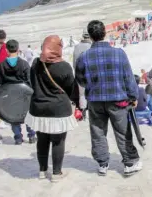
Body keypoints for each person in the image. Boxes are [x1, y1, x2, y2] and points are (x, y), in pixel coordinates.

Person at [75, 20, 142, 177]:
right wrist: (133, 96)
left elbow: (80, 80)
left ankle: (102, 164)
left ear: (90, 36)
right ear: (104, 33)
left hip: (95, 101)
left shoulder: (84, 57)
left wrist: (93, 85)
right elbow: (128, 77)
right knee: (122, 132)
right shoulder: (119, 53)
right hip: (118, 101)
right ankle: (129, 163)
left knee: (98, 132)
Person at [25, 35, 78, 182]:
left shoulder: (35, 64)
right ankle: (56, 173)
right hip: (58, 109)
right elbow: (70, 88)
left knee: (42, 140)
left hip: (38, 108)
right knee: (58, 141)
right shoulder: (64, 66)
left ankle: (42, 171)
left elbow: (32, 83)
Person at [0, 40, 36, 145]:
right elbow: (30, 80)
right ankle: (31, 136)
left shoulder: (2, 65)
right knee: (28, 115)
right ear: (18, 50)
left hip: (8, 95)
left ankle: (18, 138)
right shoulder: (24, 64)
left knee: (12, 117)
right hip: (24, 95)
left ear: (6, 50)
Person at [73, 28, 92, 118]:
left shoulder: (76, 47)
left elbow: (74, 63)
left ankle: (83, 111)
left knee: (81, 94)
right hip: (91, 74)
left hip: (79, 74)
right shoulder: (92, 46)